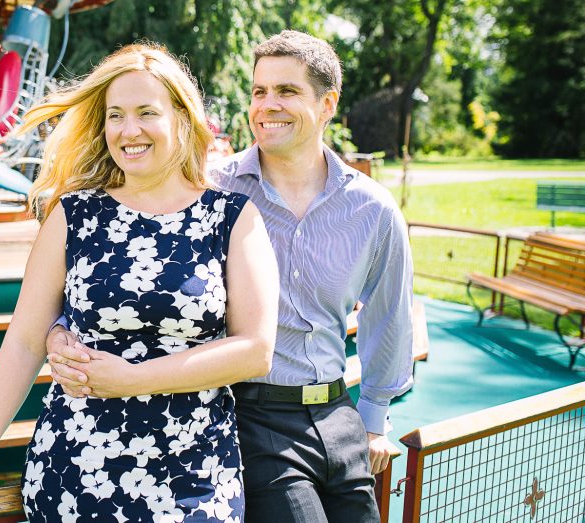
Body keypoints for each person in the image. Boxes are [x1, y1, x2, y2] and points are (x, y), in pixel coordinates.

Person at [49, 30, 415, 523]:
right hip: (253, 413)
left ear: (327, 104)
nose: (267, 105)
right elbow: (136, 270)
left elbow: (388, 316)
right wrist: (61, 327)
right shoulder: (211, 192)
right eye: (259, 91)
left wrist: (373, 420)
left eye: (286, 91)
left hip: (337, 410)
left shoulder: (373, 209)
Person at [0, 43, 279, 522]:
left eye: (147, 113)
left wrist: (133, 380)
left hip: (194, 476)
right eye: (115, 115)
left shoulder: (230, 217)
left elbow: (255, 350)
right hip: (76, 469)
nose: (128, 130)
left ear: (183, 119)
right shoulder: (74, 215)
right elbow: (24, 341)